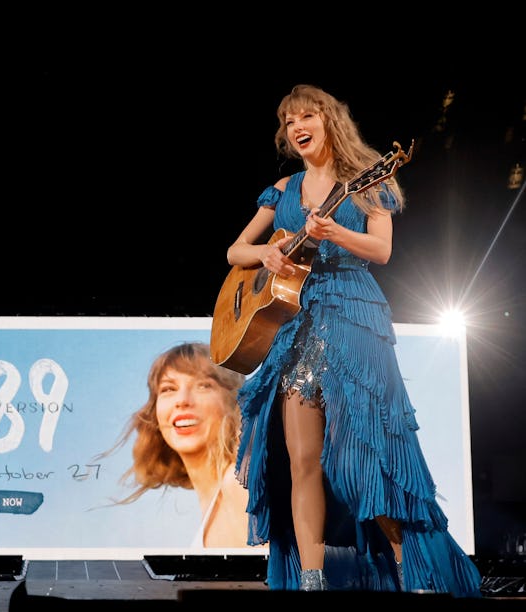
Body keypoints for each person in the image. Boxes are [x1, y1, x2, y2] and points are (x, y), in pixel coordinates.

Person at [226, 84, 483, 595]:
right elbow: (236, 250)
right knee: (301, 460)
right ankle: (312, 580)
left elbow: (382, 250)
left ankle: (416, 574)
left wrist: (336, 234)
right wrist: (267, 256)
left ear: (329, 121)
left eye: (307, 116)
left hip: (355, 320)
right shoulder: (282, 190)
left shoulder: (367, 180)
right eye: (289, 120)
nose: (297, 126)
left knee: (369, 455)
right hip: (296, 327)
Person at [97, 342, 252, 548]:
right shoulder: (220, 499)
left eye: (203, 385)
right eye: (168, 389)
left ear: (234, 402)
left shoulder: (240, 484)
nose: (182, 400)